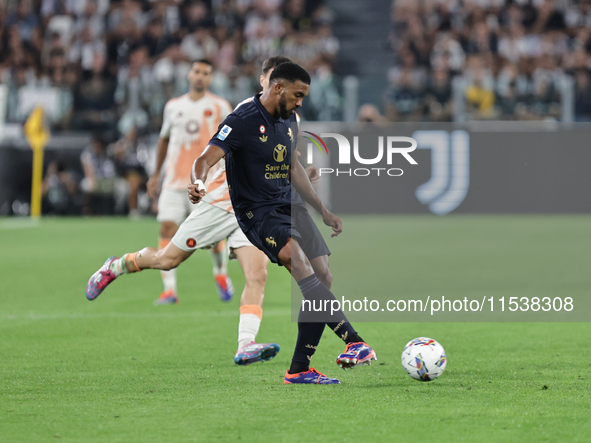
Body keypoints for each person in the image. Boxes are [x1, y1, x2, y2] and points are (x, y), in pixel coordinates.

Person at [189, 62, 377, 385]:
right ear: (278, 88)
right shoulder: (242, 120)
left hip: (290, 204)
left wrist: (323, 209)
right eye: (297, 95)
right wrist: (197, 182)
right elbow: (204, 159)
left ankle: (300, 368)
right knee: (302, 267)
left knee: (323, 276)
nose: (300, 102)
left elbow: (293, 167)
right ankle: (354, 340)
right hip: (259, 213)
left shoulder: (290, 118)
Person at [146, 59, 234, 305]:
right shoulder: (173, 106)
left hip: (207, 183)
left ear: (210, 78)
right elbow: (164, 140)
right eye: (197, 71)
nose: (200, 76)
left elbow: (233, 140)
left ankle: (220, 273)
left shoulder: (220, 106)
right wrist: (156, 174)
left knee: (212, 238)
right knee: (166, 228)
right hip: (174, 181)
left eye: (206, 73)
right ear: (189, 74)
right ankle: (169, 290)